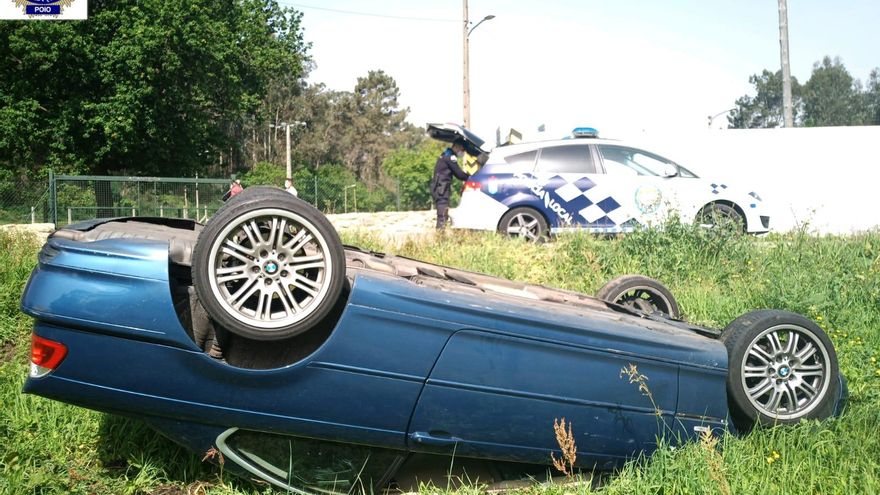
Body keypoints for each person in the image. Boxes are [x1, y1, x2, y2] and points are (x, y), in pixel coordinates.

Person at [431, 139, 470, 229]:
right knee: (442, 214)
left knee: (443, 213)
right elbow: (459, 174)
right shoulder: (450, 157)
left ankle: (441, 234)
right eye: (462, 150)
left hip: (439, 187)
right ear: (457, 147)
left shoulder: (446, 154)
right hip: (441, 188)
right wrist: (470, 177)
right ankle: (440, 236)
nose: (462, 152)